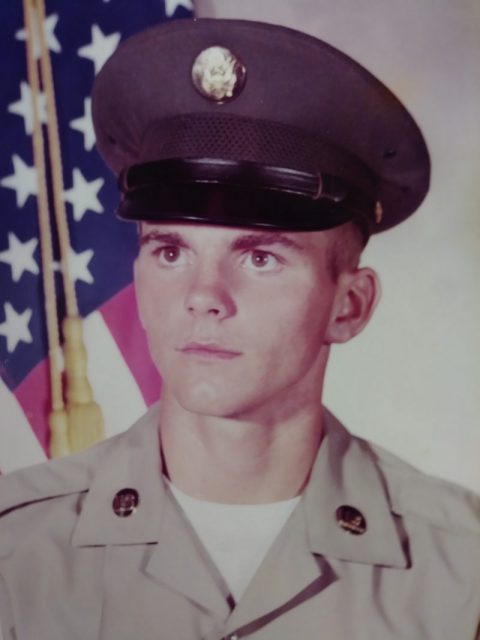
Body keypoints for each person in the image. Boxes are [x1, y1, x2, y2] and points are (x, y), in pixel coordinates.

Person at [0, 17, 479, 640]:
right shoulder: (16, 555)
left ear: (350, 306)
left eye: (260, 257)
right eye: (171, 251)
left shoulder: (460, 576)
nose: (203, 296)